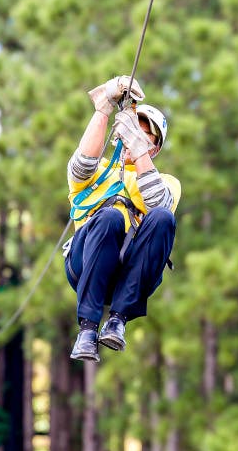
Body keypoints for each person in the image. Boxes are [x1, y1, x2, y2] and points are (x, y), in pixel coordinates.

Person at [64, 75, 180, 362]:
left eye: (144, 136)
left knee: (163, 217)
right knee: (109, 219)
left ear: (154, 149)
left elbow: (157, 204)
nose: (133, 137)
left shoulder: (166, 182)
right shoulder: (99, 173)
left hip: (131, 274)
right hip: (87, 263)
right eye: (131, 131)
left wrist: (137, 149)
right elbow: (81, 166)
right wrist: (104, 106)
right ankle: (87, 329)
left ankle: (118, 320)